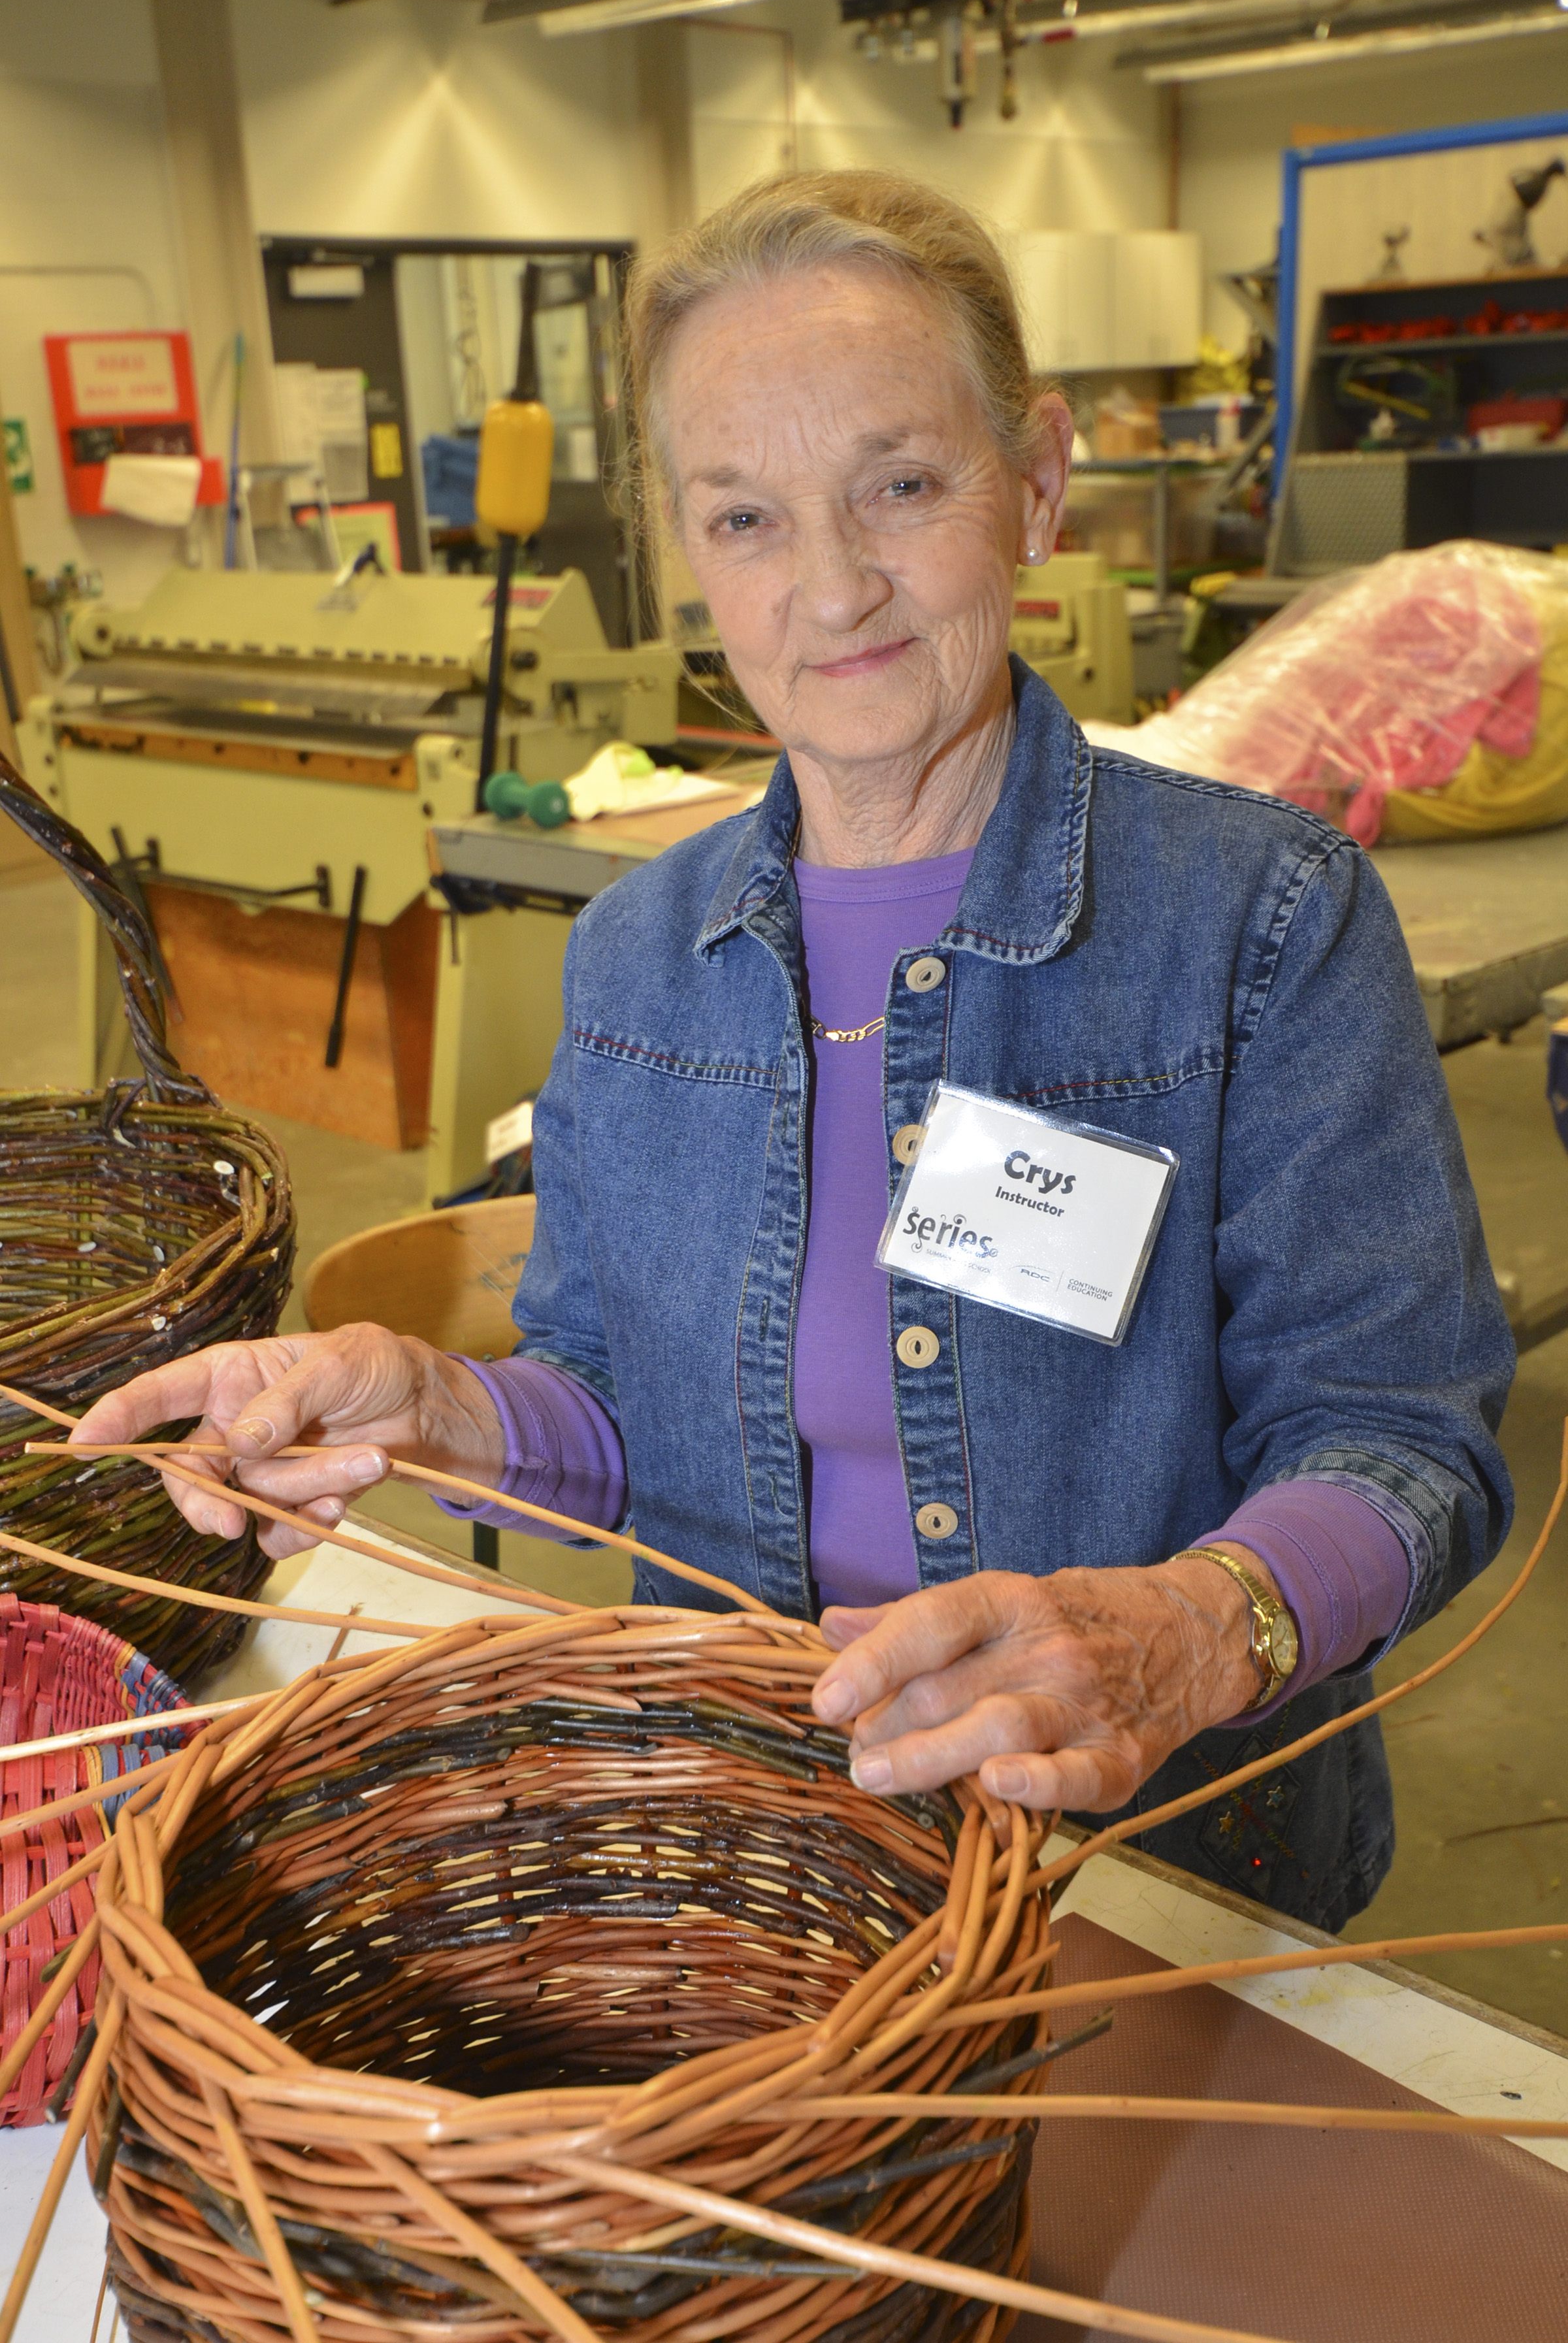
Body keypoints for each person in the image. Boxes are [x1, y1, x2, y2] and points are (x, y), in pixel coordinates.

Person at [74, 171, 1512, 1933]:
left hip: (1155, 1880)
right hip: (768, 1855)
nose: (832, 591)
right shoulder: (636, 961)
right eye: (747, 519)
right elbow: (625, 1418)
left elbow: (1408, 1439)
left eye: (900, 487)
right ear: (689, 552)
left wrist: (1196, 1633)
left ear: (1035, 483)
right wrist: (439, 1403)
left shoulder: (1262, 927)